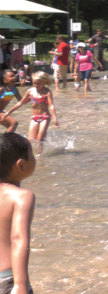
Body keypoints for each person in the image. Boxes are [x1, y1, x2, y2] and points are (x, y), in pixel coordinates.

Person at [0, 132, 36, 294]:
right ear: (20, 165)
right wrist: (20, 284)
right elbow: (18, 239)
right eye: (32, 154)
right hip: (7, 279)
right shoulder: (22, 196)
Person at [2, 74, 56, 143]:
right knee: (31, 139)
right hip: (34, 117)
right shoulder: (30, 91)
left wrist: (54, 118)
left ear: (44, 82)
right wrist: (8, 112)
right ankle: (36, 150)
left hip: (45, 117)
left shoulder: (47, 92)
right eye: (34, 83)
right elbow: (20, 103)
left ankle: (39, 153)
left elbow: (51, 105)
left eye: (38, 83)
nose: (36, 85)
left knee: (39, 139)